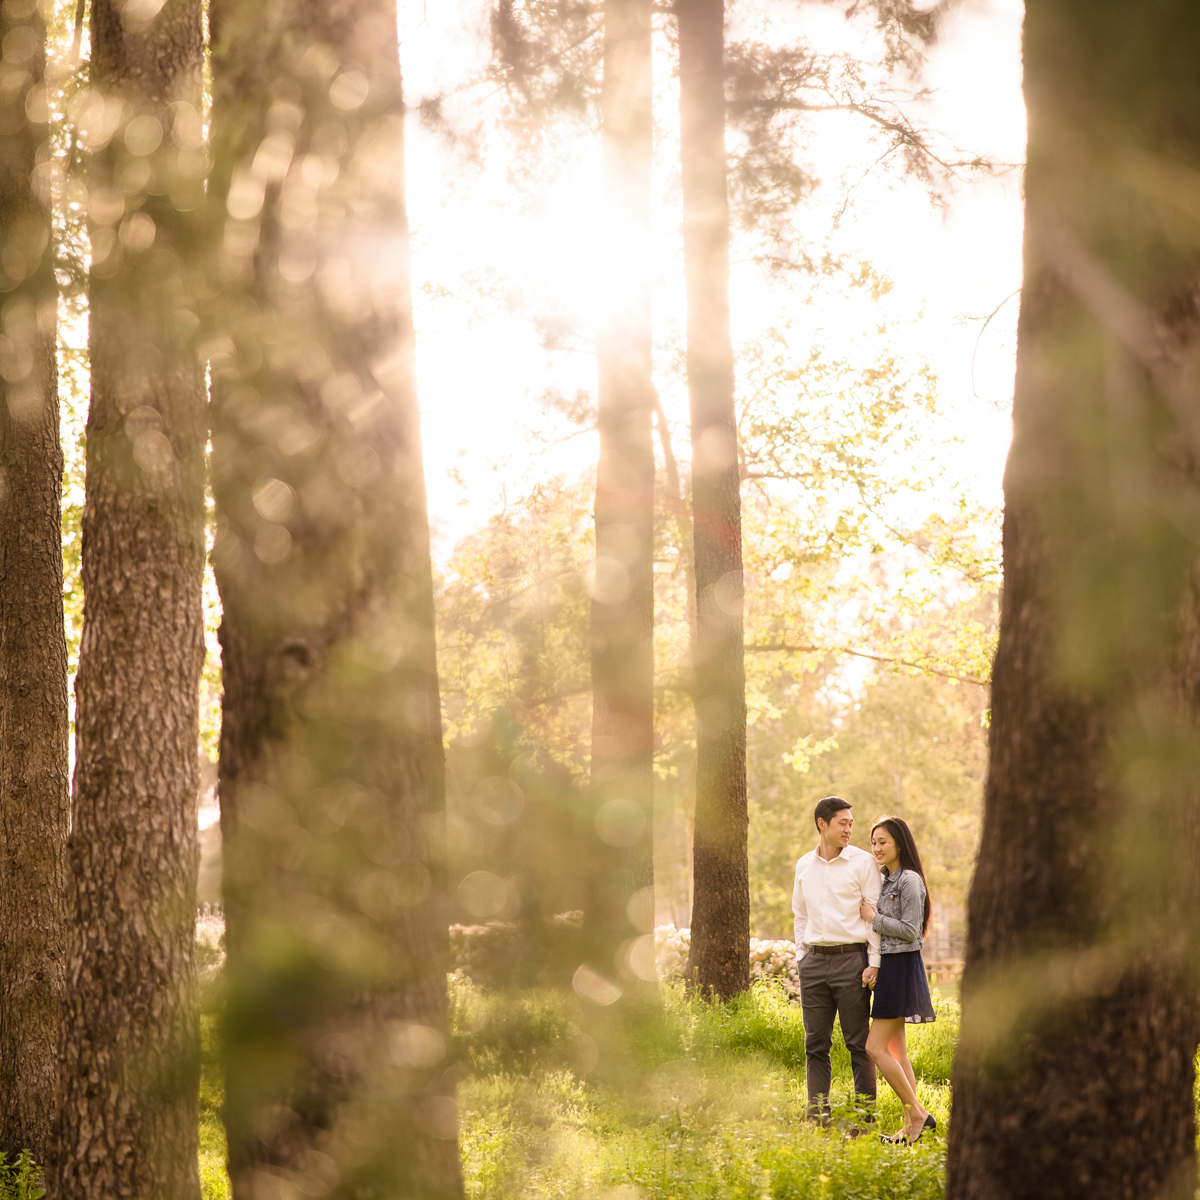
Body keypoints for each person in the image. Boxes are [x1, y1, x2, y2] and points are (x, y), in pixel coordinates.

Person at [792, 795, 881, 1124]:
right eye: (843, 823)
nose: (849, 829)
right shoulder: (804, 865)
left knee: (858, 1044)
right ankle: (818, 1116)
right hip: (813, 963)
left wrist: (874, 962)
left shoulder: (863, 863)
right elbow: (799, 916)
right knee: (815, 1044)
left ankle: (864, 1119)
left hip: (852, 962)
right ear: (822, 824)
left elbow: (874, 916)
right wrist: (803, 955)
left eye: (850, 823)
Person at [859, 814, 938, 1146]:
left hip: (903, 966)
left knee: (874, 1047)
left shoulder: (909, 880)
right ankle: (911, 1124)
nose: (876, 848)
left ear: (899, 843)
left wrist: (873, 918)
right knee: (896, 1050)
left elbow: (911, 931)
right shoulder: (887, 879)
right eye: (874, 842)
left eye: (883, 842)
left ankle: (917, 1113)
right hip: (891, 967)